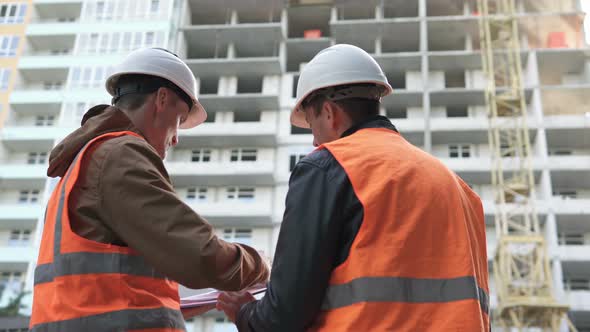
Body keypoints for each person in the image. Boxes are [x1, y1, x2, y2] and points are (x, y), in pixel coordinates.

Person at [217, 44, 490, 331]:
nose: (314, 143)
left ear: (329, 112)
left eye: (311, 125)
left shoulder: (329, 167)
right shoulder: (459, 188)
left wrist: (246, 312)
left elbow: (283, 316)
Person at [29, 48, 269, 332]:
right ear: (162, 99)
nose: (176, 138)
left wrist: (182, 303)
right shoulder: (120, 154)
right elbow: (199, 255)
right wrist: (263, 266)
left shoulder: (82, 165)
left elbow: (106, 288)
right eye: (179, 120)